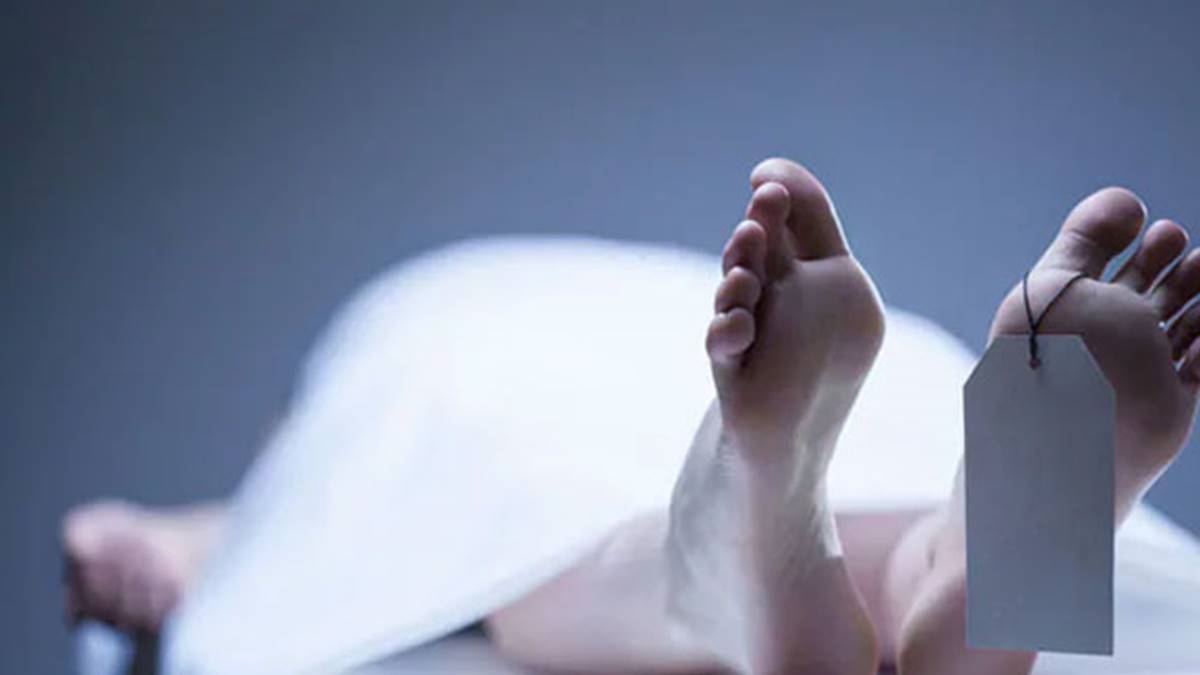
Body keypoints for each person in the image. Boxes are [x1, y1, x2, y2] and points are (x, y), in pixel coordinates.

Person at [64, 158, 1200, 675]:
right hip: (876, 390)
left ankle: (758, 552)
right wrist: (152, 539)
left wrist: (144, 538)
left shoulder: (360, 391)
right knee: (889, 488)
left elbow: (266, 530)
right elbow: (250, 524)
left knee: (525, 529)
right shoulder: (353, 407)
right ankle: (956, 573)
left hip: (467, 365)